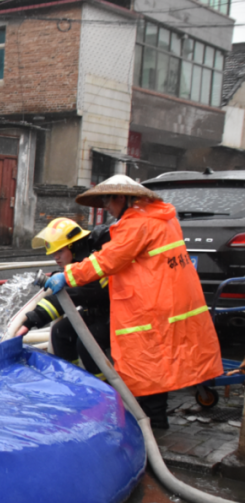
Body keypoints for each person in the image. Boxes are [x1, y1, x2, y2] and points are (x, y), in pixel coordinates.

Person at [44, 174, 223, 430]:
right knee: (159, 364)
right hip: (169, 301)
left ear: (122, 197)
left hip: (149, 305)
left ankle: (151, 427)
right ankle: (152, 422)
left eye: (108, 199)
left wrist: (69, 275)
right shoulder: (162, 217)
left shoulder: (137, 224)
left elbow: (108, 260)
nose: (106, 206)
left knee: (146, 366)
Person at [19, 217, 112, 374]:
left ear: (74, 247)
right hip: (98, 311)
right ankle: (69, 377)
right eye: (54, 252)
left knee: (88, 344)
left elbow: (79, 294)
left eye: (60, 251)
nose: (56, 257)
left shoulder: (94, 261)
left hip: (116, 315)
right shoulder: (81, 260)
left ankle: (104, 389)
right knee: (60, 332)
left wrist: (32, 320)